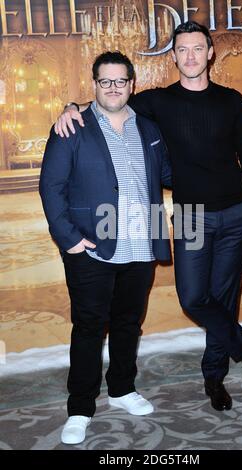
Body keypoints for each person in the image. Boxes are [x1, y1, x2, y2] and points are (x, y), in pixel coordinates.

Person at [54, 21, 242, 413]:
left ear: (210, 53)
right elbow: (108, 100)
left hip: (236, 213)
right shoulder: (156, 102)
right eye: (182, 50)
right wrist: (72, 106)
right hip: (189, 216)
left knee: (223, 298)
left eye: (197, 48)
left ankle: (214, 377)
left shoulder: (232, 100)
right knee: (194, 298)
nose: (190, 56)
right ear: (173, 57)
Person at [39, 51, 172, 445]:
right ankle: (80, 407)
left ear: (132, 84)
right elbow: (51, 187)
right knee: (89, 328)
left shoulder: (149, 127)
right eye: (105, 81)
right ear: (94, 84)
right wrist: (69, 239)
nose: (113, 88)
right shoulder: (72, 126)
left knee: (129, 323)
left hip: (141, 244)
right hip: (91, 247)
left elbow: (167, 174)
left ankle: (122, 389)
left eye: (120, 81)